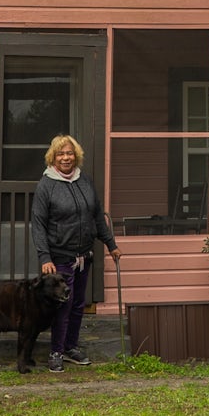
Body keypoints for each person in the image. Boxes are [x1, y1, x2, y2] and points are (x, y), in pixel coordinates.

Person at [31, 134, 122, 373]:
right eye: (61, 154)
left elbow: (97, 215)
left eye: (69, 153)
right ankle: (56, 352)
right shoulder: (46, 185)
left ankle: (71, 347)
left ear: (76, 156)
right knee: (63, 304)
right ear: (53, 157)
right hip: (59, 257)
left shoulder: (85, 181)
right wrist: (45, 257)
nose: (66, 158)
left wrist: (111, 244)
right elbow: (38, 224)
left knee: (78, 303)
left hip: (84, 255)